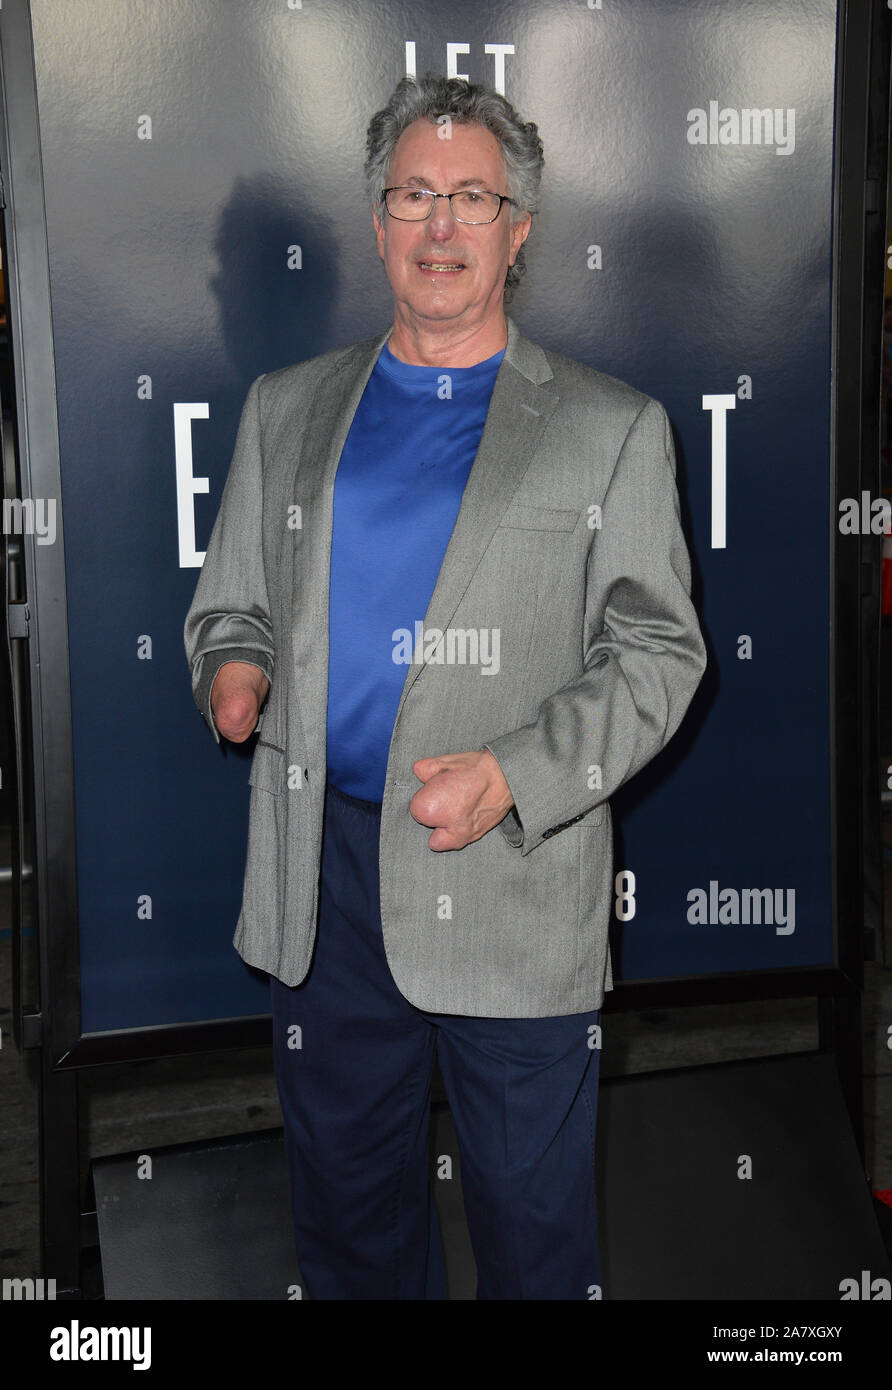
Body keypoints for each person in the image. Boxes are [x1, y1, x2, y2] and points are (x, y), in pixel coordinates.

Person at [184, 73, 707, 1300]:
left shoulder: (609, 428)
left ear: (518, 229)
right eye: (414, 194)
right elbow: (229, 603)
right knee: (352, 1229)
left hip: (514, 880)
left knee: (533, 1241)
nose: (439, 226)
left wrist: (513, 774)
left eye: (470, 197)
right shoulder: (285, 411)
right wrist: (234, 665)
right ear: (377, 221)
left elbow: (658, 652)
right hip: (329, 887)